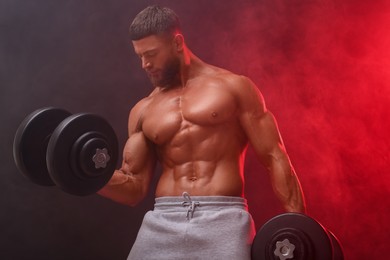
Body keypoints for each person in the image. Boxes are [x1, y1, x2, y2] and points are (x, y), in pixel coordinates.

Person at [98, 5, 306, 260]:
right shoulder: (143, 110)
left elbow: (275, 156)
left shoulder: (233, 87)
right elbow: (134, 188)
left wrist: (301, 229)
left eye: (151, 54)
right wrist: (85, 175)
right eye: (140, 56)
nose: (145, 64)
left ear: (177, 43)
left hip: (224, 219)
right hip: (163, 220)